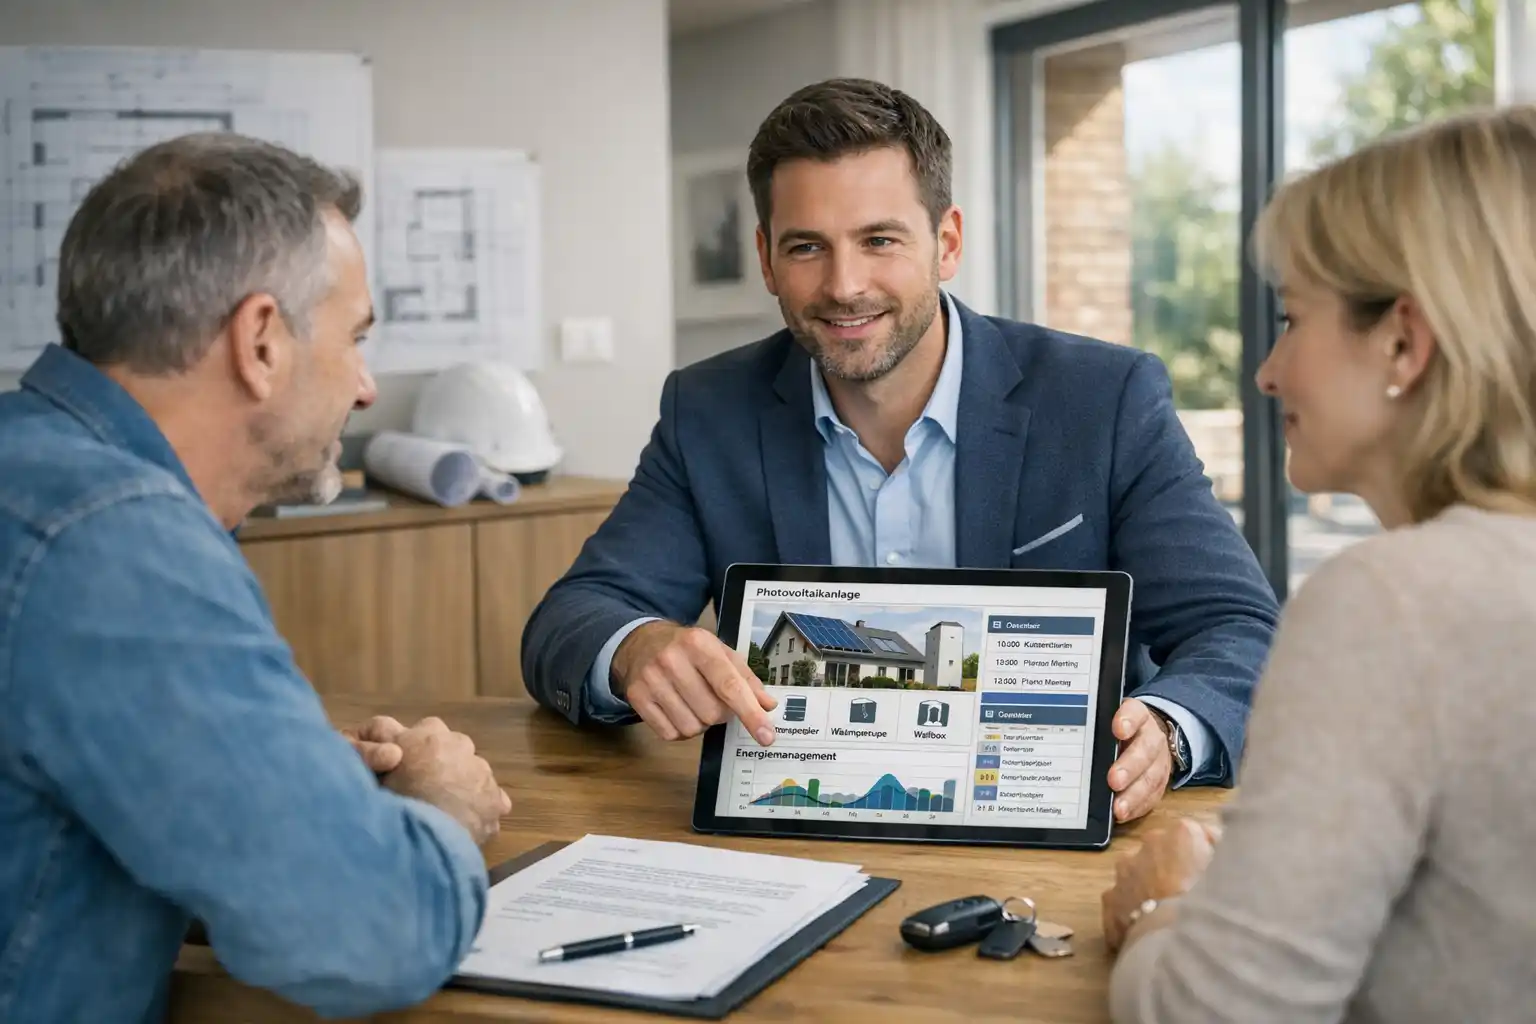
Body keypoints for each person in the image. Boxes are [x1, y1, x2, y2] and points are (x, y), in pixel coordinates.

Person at [522, 78, 1280, 822]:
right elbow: (574, 616)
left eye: (879, 240)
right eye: (807, 247)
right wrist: (634, 648)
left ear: (945, 243)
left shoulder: (1104, 399)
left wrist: (1170, 732)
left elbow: (1239, 627)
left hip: (1051, 833)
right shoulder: (709, 412)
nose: (845, 285)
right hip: (795, 830)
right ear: (765, 258)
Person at [0, 133, 511, 1022]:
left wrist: (290, 788)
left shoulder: (33, 474)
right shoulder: (119, 545)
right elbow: (372, 932)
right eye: (355, 340)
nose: (363, 388)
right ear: (262, 340)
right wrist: (441, 809)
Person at [1100, 105, 1536, 1023]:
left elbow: (1208, 1014)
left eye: (1295, 318)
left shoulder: (1392, 603)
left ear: (1404, 344)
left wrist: (1166, 902)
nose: (1268, 370)